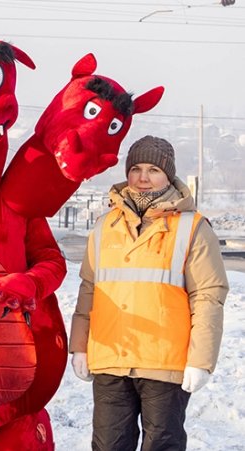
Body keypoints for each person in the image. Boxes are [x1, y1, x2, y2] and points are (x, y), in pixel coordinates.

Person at [69, 135, 229, 451]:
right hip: (111, 358)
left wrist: (202, 360)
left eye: (153, 169)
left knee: (162, 444)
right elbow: (89, 290)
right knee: (108, 445)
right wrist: (81, 347)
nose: (143, 177)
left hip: (165, 363)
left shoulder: (192, 227)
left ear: (168, 175)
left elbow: (209, 295)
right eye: (136, 168)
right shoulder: (104, 226)